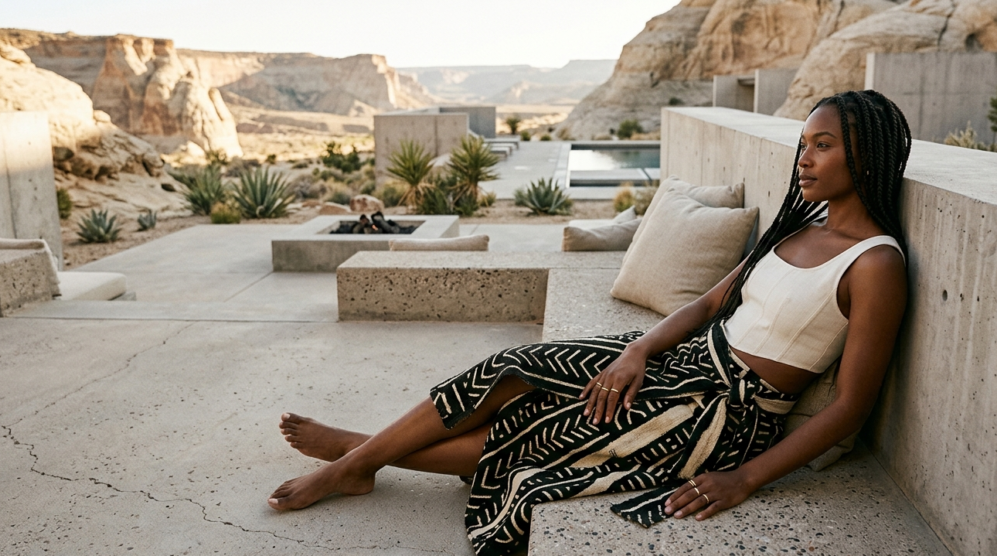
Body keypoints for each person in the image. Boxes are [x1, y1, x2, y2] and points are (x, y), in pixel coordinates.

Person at [267, 89, 912, 556]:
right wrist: (635, 354)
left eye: (822, 145)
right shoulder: (800, 226)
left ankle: (358, 456)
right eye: (804, 143)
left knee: (538, 444)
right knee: (515, 369)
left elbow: (851, 406)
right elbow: (711, 305)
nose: (804, 158)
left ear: (868, 154)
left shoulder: (875, 264)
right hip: (685, 360)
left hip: (723, 411)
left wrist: (743, 478)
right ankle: (363, 454)